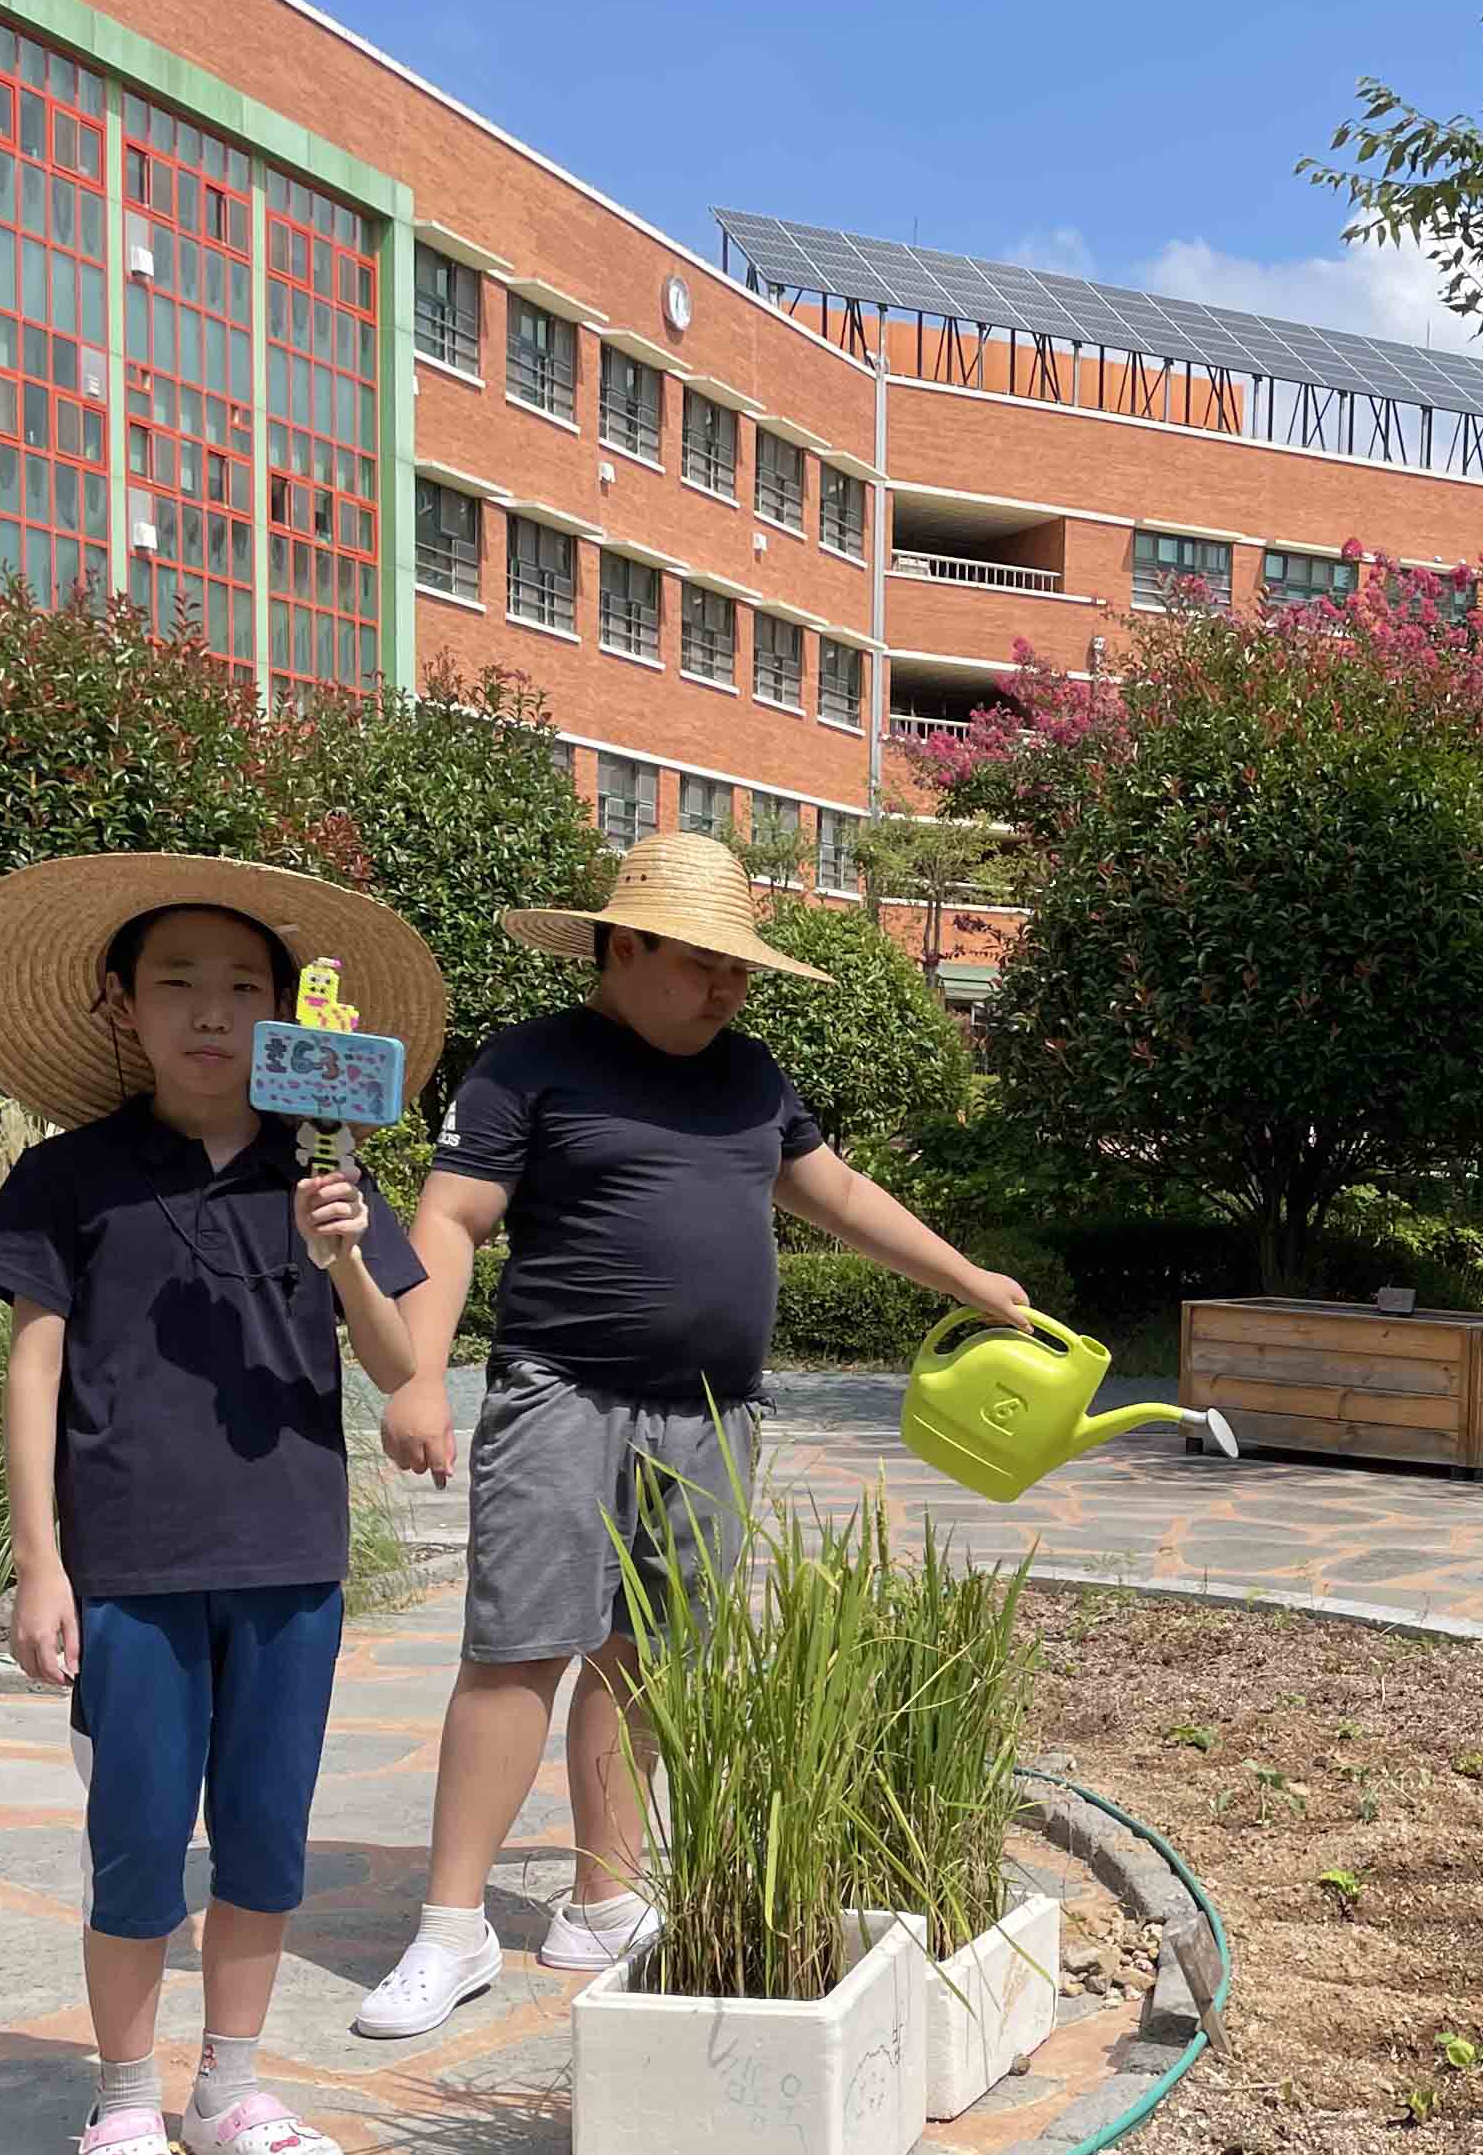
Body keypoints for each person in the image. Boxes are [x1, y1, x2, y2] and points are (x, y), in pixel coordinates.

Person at [357, 835, 1030, 2038]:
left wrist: (969, 1280)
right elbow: (450, 1218)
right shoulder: (533, 1064)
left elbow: (839, 1196)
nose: (726, 988)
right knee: (519, 1647)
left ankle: (603, 1903)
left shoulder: (753, 1077)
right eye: (702, 963)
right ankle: (451, 1927)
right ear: (623, 947)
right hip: (563, 1395)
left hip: (713, 1414)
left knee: (651, 1656)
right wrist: (417, 1379)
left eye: (740, 969)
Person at [0, 855, 445, 2155]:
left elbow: (403, 1362)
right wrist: (42, 1563)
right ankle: (122, 2099)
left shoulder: (324, 1170)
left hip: (290, 1555)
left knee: (270, 1838)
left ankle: (228, 2087)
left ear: (291, 1020)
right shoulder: (71, 1180)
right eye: (178, 985)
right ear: (122, 1007)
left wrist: (342, 1249)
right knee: (139, 1836)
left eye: (242, 990)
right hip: (133, 1564)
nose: (210, 1015)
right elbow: (34, 1368)